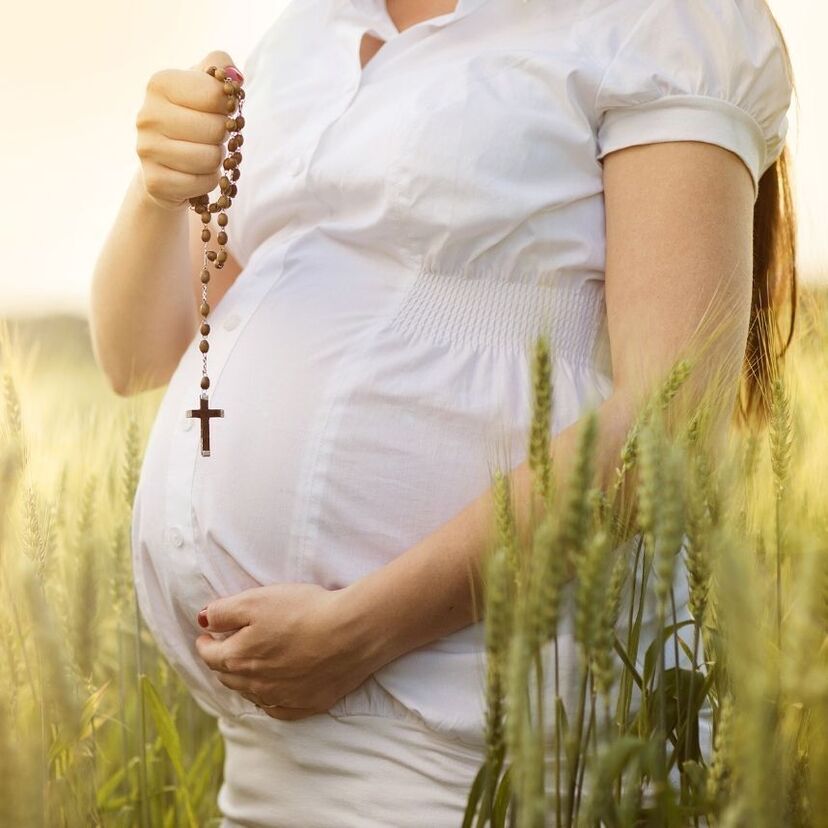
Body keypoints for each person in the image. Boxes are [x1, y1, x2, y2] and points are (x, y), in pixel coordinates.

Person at [89, 0, 797, 824]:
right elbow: (137, 355)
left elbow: (669, 427)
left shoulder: (660, 21)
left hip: (484, 753)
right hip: (271, 765)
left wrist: (360, 631)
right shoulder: (303, 38)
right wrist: (158, 188)